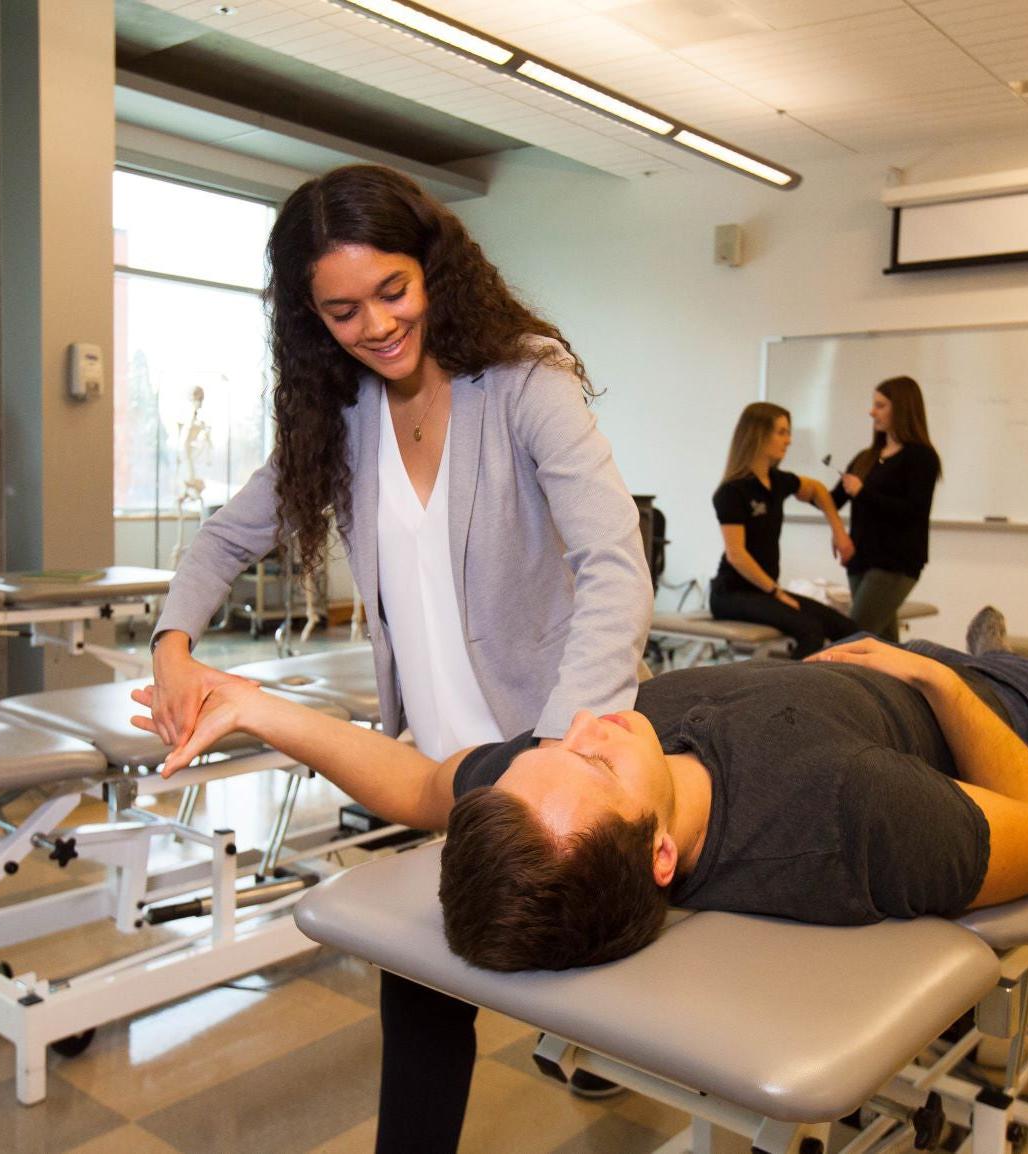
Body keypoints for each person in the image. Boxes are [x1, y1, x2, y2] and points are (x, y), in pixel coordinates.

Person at [143, 164, 652, 1152]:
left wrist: (554, 759)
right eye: (341, 310)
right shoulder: (337, 419)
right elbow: (217, 541)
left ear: (433, 269)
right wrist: (172, 643)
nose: (374, 325)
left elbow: (613, 563)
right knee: (420, 1016)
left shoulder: (521, 378)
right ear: (309, 318)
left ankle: (608, 1059)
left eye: (392, 290)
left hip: (549, 759)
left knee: (633, 995)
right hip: (425, 771)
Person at [132, 609, 1028, 973]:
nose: (594, 724)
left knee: (969, 647)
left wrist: (256, 706)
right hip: (985, 709)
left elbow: (419, 782)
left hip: (848, 671)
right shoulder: (847, 816)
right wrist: (933, 677)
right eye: (596, 760)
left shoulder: (560, 793)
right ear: (659, 855)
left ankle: (971, 637)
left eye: (555, 745)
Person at [709, 402, 856, 658]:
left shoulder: (777, 481)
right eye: (782, 432)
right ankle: (792, 693)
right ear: (758, 434)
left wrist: (839, 531)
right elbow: (737, 555)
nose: (788, 440)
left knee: (847, 628)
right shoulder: (732, 491)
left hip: (764, 592)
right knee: (811, 631)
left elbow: (818, 490)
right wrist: (776, 592)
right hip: (731, 595)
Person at [831, 376, 942, 640]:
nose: (872, 412)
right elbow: (832, 500)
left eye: (880, 405)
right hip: (860, 560)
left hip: (895, 563)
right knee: (883, 642)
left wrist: (863, 492)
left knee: (853, 636)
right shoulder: (866, 457)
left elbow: (914, 510)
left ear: (901, 408)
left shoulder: (921, 457)